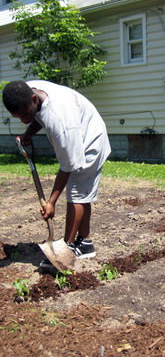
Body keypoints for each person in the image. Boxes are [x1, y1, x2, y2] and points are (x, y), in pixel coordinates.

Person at [2, 80, 111, 267]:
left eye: (26, 114)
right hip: (80, 129)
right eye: (18, 117)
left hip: (90, 140)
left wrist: (51, 202)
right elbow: (38, 115)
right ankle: (85, 243)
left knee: (76, 195)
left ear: (34, 99)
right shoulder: (28, 91)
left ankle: (64, 249)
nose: (24, 120)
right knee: (82, 193)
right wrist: (29, 133)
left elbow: (67, 166)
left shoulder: (61, 122)